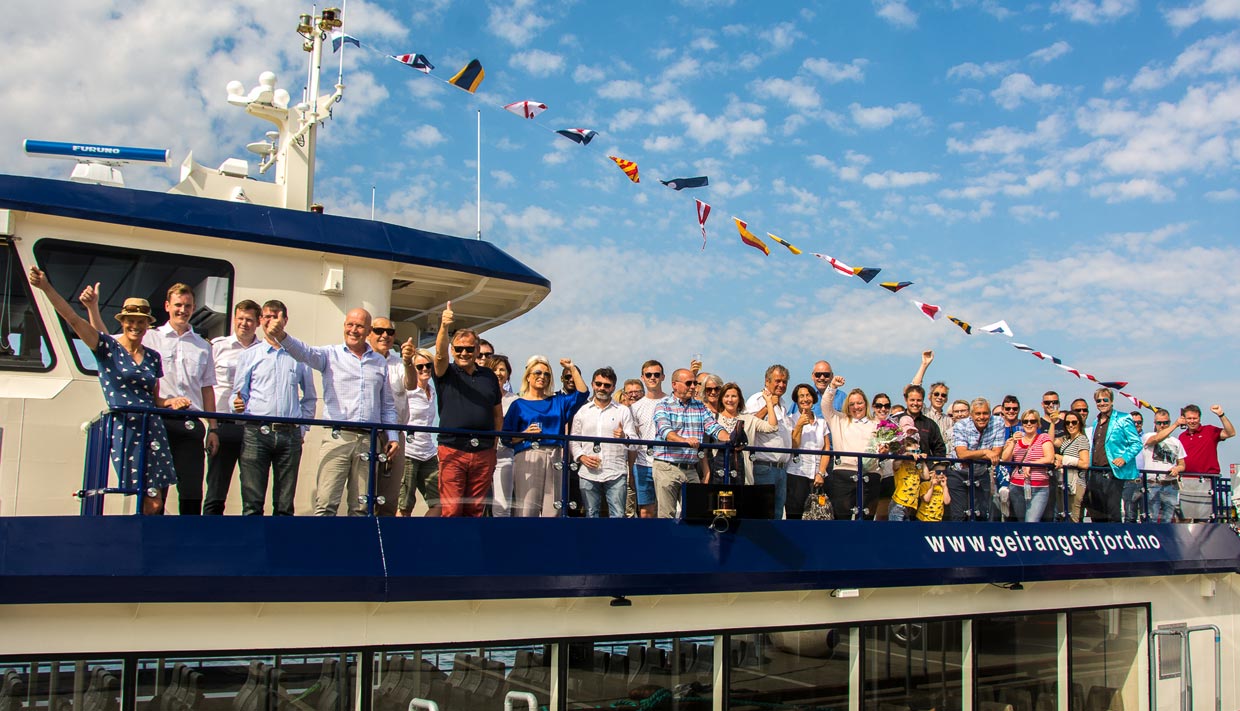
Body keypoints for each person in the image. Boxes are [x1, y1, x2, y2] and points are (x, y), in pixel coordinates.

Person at [29, 268, 180, 515]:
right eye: (130, 320)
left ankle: (147, 535)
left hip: (153, 427)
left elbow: (156, 400)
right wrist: (46, 287)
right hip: (126, 428)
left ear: (147, 325)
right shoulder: (107, 348)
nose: (135, 325)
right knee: (147, 499)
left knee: (158, 499)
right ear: (122, 322)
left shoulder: (153, 357)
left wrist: (172, 402)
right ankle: (142, 535)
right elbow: (72, 319)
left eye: (140, 321)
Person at [267, 307, 401, 516]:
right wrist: (282, 336)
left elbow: (387, 405)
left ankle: (355, 540)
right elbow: (304, 353)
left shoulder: (379, 362)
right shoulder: (330, 355)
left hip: (368, 440)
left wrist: (392, 436)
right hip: (338, 437)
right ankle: (323, 540)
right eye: (350, 325)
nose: (353, 330)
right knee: (326, 502)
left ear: (368, 331)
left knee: (361, 507)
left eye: (359, 326)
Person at [231, 300, 317, 516]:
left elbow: (309, 397)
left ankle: (282, 538)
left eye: (276, 316)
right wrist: (236, 405)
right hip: (256, 432)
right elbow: (238, 394)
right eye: (267, 316)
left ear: (285, 320)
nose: (271, 321)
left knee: (284, 506)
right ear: (261, 320)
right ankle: (253, 539)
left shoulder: (299, 356)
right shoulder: (250, 355)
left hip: (290, 434)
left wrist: (302, 429)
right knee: (252, 503)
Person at [140, 283, 218, 515]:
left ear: (193, 308)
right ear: (167, 306)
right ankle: (153, 534)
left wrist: (213, 428)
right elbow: (113, 343)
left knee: (192, 492)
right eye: (177, 305)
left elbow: (207, 388)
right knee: (156, 493)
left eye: (187, 306)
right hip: (160, 421)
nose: (182, 310)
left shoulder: (203, 346)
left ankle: (190, 535)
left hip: (191, 424)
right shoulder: (150, 339)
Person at [431, 302, 503, 517]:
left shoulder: (488, 376)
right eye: (458, 349)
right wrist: (444, 327)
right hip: (453, 448)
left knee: (475, 510)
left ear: (477, 350)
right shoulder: (446, 372)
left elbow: (497, 413)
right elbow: (440, 355)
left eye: (469, 349)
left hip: (483, 450)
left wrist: (493, 446)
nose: (464, 353)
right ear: (453, 350)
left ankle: (470, 540)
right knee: (452, 509)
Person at [503, 355, 588, 517]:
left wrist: (571, 368)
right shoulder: (518, 405)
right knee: (527, 507)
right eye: (538, 373)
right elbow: (505, 438)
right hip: (528, 455)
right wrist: (524, 435)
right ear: (528, 377)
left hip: (555, 454)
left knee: (554, 508)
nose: (542, 377)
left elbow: (582, 393)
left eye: (546, 374)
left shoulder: (558, 401)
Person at [200, 300, 261, 515]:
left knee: (253, 492)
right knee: (215, 491)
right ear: (234, 319)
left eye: (249, 320)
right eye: (240, 318)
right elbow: (205, 384)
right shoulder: (218, 347)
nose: (244, 323)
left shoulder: (264, 351)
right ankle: (210, 532)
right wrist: (212, 426)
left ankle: (250, 534)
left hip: (252, 428)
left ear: (258, 323)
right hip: (223, 426)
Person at [652, 368, 728, 518]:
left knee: (695, 514)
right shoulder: (663, 405)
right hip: (667, 466)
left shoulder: (700, 406)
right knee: (666, 516)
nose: (693, 386)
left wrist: (729, 438)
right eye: (688, 383)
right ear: (674, 384)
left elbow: (713, 427)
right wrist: (685, 441)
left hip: (691, 468)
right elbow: (665, 431)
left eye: (694, 383)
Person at [570, 367, 637, 517]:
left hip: (615, 472)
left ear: (613, 387)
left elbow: (635, 443)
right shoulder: (582, 411)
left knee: (618, 515)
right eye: (598, 384)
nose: (602, 388)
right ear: (592, 384)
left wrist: (624, 437)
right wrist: (581, 457)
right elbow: (573, 439)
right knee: (591, 515)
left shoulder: (623, 411)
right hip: (588, 472)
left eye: (607, 385)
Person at [367, 317, 417, 516]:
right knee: (363, 494)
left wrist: (408, 362)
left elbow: (411, 385)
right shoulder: (363, 360)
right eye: (379, 331)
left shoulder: (399, 363)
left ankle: (385, 534)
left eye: (390, 332)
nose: (385, 335)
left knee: (389, 498)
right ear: (369, 333)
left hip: (395, 435)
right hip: (368, 434)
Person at [821, 377, 880, 520]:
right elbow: (825, 406)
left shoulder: (876, 424)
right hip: (844, 474)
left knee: (866, 519)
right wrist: (832, 386)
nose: (856, 407)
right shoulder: (839, 420)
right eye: (852, 404)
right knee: (842, 517)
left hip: (869, 474)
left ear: (865, 404)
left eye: (859, 403)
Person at [1085, 388, 1142, 523]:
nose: (1102, 403)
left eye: (1105, 400)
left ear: (1111, 401)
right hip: (1096, 471)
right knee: (1096, 510)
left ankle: (1116, 534)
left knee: (1113, 511)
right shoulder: (1096, 421)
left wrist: (1124, 458)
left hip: (1113, 471)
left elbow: (1136, 443)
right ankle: (1100, 534)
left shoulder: (1123, 418)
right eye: (1099, 401)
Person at [744, 365, 793, 518]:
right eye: (778, 381)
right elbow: (749, 425)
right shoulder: (756, 399)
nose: (781, 385)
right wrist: (768, 405)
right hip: (764, 466)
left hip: (781, 468)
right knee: (762, 513)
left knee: (777, 514)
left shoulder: (784, 403)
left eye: (784, 382)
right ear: (767, 381)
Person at [399, 348, 441, 517]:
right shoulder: (407, 390)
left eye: (428, 365)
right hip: (408, 451)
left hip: (428, 452)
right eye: (420, 366)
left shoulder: (432, 390)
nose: (425, 369)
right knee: (404, 505)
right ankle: (401, 533)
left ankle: (421, 531)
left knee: (440, 503)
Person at [949, 398, 1006, 521]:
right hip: (958, 472)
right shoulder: (961, 425)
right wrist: (985, 452)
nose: (982, 417)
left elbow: (996, 454)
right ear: (971, 415)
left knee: (982, 514)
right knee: (959, 515)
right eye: (978, 414)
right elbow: (961, 454)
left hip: (981, 473)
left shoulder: (998, 422)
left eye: (985, 413)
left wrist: (972, 455)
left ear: (990, 413)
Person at [1177, 403, 1234, 521]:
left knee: (1205, 519)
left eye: (1195, 418)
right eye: (1189, 418)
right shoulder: (1182, 437)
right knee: (1186, 519)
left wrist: (1221, 415)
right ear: (1184, 419)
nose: (1192, 421)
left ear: (1199, 418)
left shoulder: (1209, 431)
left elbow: (1230, 433)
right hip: (1187, 482)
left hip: (1207, 482)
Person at [716, 383, 779, 486]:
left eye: (734, 396)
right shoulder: (714, 419)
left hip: (744, 476)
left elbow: (772, 427)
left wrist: (769, 402)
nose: (730, 400)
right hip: (719, 475)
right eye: (726, 396)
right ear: (721, 399)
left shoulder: (749, 419)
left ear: (739, 399)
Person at [1001, 409, 1055, 522]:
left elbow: (1049, 458)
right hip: (1017, 485)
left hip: (1039, 486)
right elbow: (1005, 459)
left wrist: (1031, 464)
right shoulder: (1017, 441)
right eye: (1025, 421)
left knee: (1031, 521)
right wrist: (1012, 443)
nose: (1029, 424)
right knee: (1021, 522)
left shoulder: (1043, 438)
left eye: (1032, 421)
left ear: (1038, 423)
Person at [629, 360, 667, 518]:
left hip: (667, 463)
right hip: (643, 464)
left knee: (668, 511)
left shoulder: (671, 402)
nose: (652, 377)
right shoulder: (634, 407)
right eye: (648, 374)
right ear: (642, 377)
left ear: (663, 377)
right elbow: (633, 442)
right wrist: (631, 470)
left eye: (656, 374)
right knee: (645, 512)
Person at [787, 384, 830, 520]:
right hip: (797, 473)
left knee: (818, 515)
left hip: (817, 476)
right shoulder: (790, 419)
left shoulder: (822, 423)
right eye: (801, 396)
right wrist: (799, 425)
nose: (805, 399)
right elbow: (794, 446)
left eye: (808, 395)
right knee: (795, 515)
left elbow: (826, 449)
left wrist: (821, 473)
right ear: (796, 400)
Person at [1139, 409, 1187, 523]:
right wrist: (1176, 424)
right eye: (1159, 423)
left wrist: (1177, 469)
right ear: (1154, 423)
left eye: (1165, 423)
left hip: (1170, 484)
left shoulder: (1176, 442)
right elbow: (1156, 439)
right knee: (1151, 519)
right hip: (1152, 483)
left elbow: (1182, 464)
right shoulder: (1148, 436)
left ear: (1169, 422)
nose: (1162, 425)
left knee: (1168, 519)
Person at [486, 354, 519, 517]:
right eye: (494, 369)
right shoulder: (480, 397)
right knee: (474, 503)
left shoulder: (515, 401)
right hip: (482, 454)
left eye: (502, 369)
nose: (498, 373)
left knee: (502, 506)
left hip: (505, 458)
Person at [887, 416, 926, 522]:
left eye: (916, 451)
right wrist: (906, 455)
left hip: (910, 506)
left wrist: (922, 460)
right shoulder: (900, 464)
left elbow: (926, 476)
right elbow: (895, 465)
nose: (914, 454)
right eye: (912, 452)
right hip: (898, 504)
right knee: (896, 531)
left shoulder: (916, 466)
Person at [909, 350, 953, 444]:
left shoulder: (949, 420)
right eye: (936, 394)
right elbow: (914, 389)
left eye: (943, 395)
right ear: (929, 396)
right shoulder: (923, 411)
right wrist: (924, 365)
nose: (939, 397)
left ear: (946, 399)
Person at [1054, 411, 1091, 522]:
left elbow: (1085, 463)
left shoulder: (1082, 439)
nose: (1070, 425)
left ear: (1079, 423)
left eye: (1074, 422)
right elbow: (1051, 440)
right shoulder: (1066, 439)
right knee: (1063, 515)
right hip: (1064, 481)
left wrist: (1063, 459)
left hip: (1076, 483)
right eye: (1067, 423)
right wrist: (1052, 423)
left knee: (1073, 517)